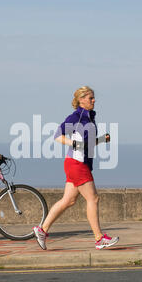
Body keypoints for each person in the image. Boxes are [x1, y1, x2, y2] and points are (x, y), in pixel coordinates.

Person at [33, 86, 119, 250]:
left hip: (77, 162)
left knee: (68, 200)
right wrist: (74, 143)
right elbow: (58, 135)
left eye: (94, 98)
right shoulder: (77, 116)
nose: (94, 101)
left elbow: (87, 143)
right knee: (93, 198)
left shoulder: (89, 117)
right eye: (90, 98)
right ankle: (99, 238)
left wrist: (102, 139)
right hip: (76, 163)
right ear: (81, 100)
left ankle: (42, 230)